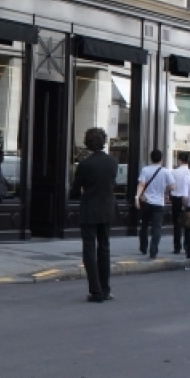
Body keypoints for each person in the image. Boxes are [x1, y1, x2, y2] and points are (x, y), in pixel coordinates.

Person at [71, 127, 118, 303]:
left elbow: (75, 190)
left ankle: (95, 290)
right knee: (104, 248)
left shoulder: (85, 164)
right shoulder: (113, 162)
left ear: (88, 143)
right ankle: (106, 289)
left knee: (89, 250)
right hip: (107, 208)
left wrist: (83, 190)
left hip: (90, 209)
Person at [135, 149, 174, 259]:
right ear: (161, 159)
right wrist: (165, 192)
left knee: (144, 225)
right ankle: (153, 250)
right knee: (157, 227)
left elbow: (141, 184)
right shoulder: (166, 171)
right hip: (159, 203)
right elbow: (172, 185)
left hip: (146, 201)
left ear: (150, 158)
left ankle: (143, 247)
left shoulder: (145, 170)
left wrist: (137, 197)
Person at [169, 152, 190, 256]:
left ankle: (177, 246)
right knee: (188, 222)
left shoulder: (174, 172)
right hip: (188, 199)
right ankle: (187, 245)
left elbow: (171, 186)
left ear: (179, 160)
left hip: (176, 198)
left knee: (177, 224)